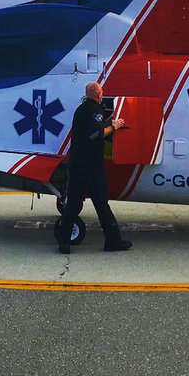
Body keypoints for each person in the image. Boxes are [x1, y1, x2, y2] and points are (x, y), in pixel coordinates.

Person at [57, 81, 132, 254]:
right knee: (101, 204)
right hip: (92, 167)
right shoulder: (95, 111)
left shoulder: (80, 110)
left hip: (76, 165)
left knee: (72, 205)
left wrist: (107, 121)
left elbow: (90, 129)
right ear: (99, 95)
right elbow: (95, 135)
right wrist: (114, 127)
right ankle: (113, 241)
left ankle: (64, 242)